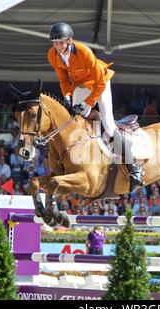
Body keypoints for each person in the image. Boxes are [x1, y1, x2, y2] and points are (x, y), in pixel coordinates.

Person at [47, 22, 143, 192]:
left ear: (69, 41)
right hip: (80, 85)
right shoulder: (52, 55)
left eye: (61, 42)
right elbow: (63, 79)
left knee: (108, 123)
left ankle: (133, 168)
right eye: (55, 43)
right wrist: (67, 96)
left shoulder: (84, 52)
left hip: (100, 83)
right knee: (75, 120)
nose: (58, 46)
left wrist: (86, 104)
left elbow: (99, 84)